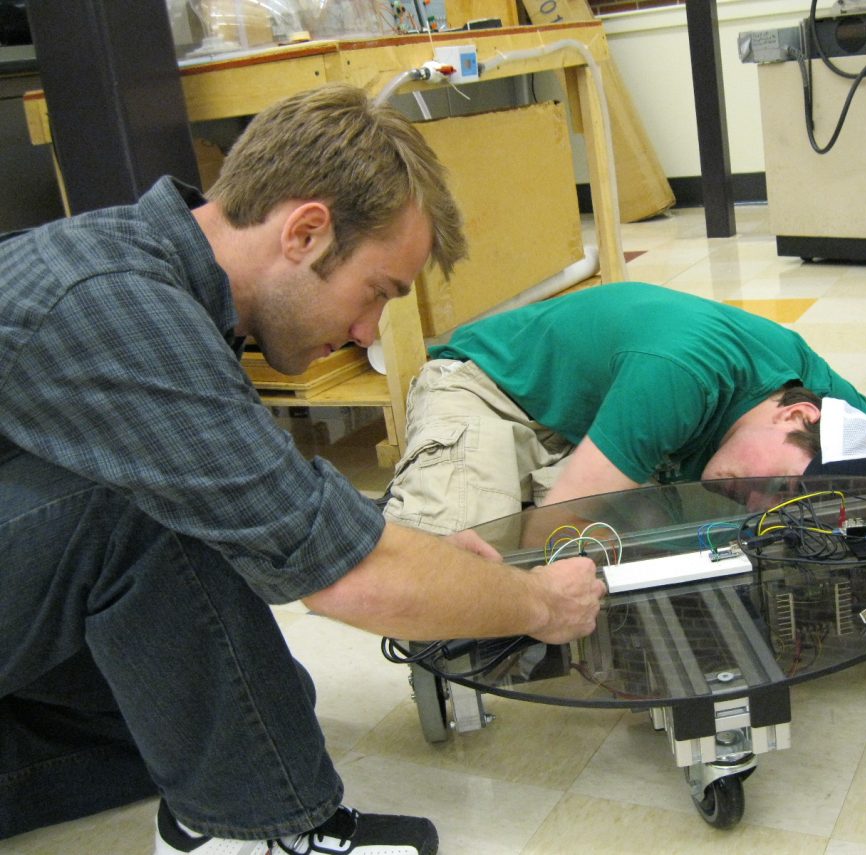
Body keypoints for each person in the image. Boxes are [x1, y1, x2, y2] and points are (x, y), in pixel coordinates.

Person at [0, 83, 605, 854]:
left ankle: (217, 808)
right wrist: (537, 604)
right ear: (307, 232)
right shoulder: (113, 303)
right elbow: (342, 571)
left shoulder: (145, 268)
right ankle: (263, 832)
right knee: (141, 507)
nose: (365, 331)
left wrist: (429, 566)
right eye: (376, 292)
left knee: (218, 718)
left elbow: (271, 514)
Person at [383, 281, 866, 612]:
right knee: (451, 582)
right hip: (494, 389)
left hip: (596, 428)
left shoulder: (826, 404)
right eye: (782, 488)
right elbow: (552, 531)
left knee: (660, 551)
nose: (761, 503)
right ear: (796, 414)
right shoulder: (681, 373)